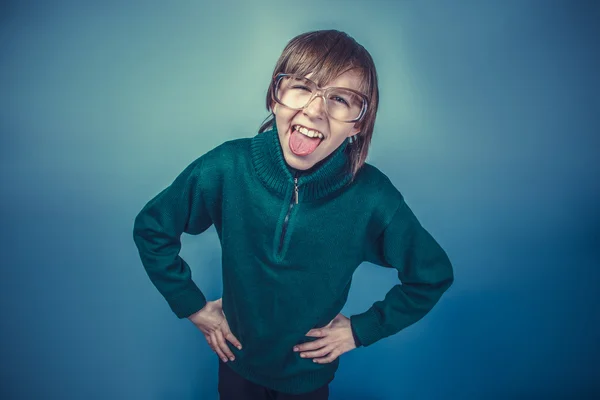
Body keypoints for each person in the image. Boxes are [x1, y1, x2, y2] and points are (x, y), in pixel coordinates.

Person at [133, 29, 454, 399]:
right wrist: (191, 304)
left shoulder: (373, 198)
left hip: (307, 380)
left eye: (339, 99)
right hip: (236, 363)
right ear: (275, 96)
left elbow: (431, 275)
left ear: (359, 124)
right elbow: (152, 228)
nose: (314, 110)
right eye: (302, 86)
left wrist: (361, 329)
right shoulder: (226, 167)